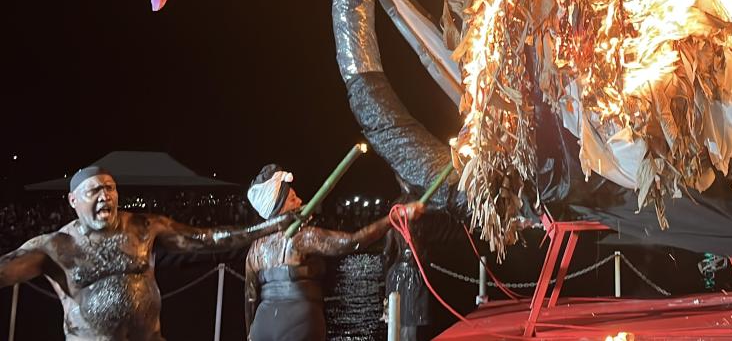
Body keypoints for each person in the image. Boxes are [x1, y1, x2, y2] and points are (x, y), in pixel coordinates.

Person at [0, 166, 292, 340]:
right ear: (73, 200)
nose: (106, 196)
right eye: (95, 191)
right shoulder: (54, 246)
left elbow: (207, 239)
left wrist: (269, 227)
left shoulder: (143, 228)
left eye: (110, 188)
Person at [242, 164, 421, 341]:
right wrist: (393, 218)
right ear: (279, 209)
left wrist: (250, 333)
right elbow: (353, 242)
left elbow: (250, 299)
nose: (299, 201)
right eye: (292, 199)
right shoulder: (301, 237)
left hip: (261, 327)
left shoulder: (255, 249)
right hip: (298, 324)